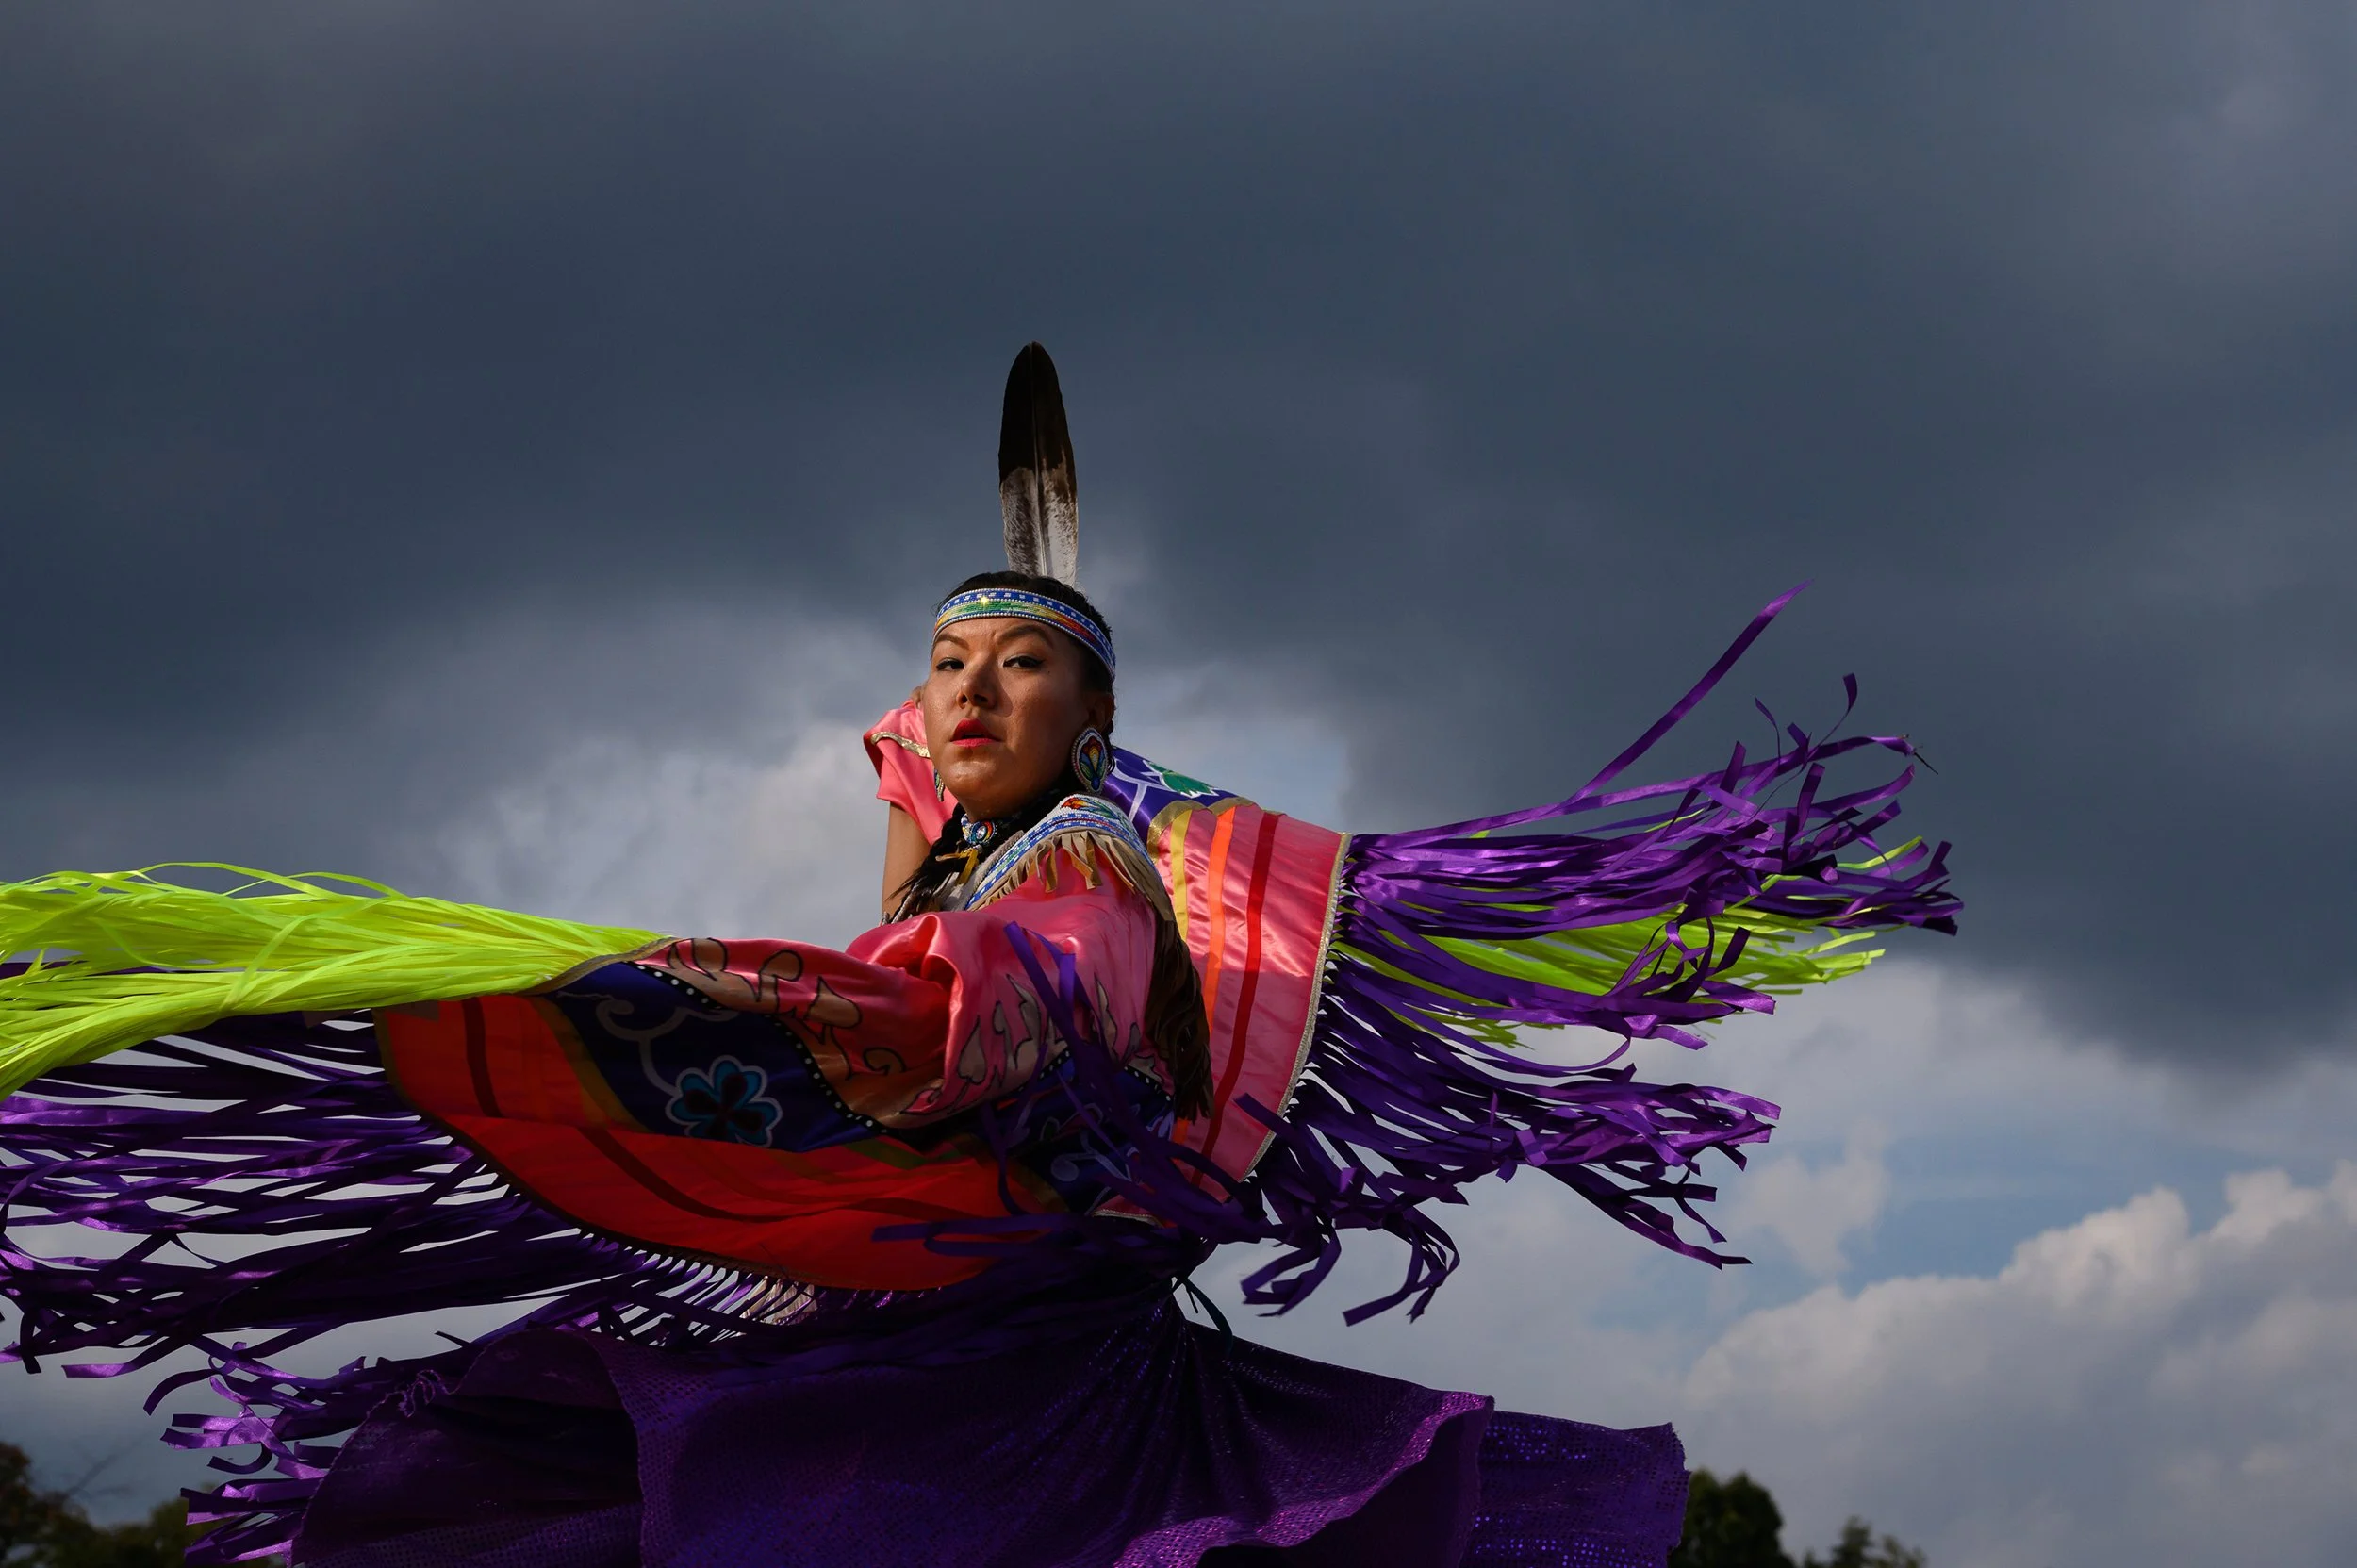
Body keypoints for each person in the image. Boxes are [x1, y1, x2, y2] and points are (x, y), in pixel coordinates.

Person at [0, 347, 1957, 1567]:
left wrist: (722, 1001)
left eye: (1016, 662)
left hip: (1018, 1398)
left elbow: (1003, 1028)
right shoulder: (950, 879)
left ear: (1086, 719)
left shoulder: (1089, 867)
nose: (966, 689)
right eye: (943, 663)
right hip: (892, 1348)